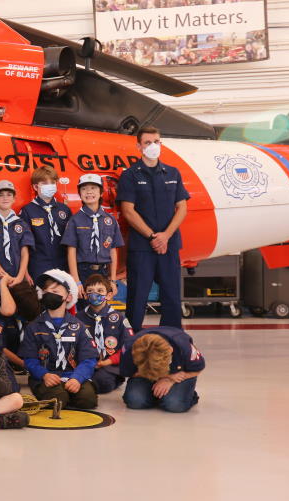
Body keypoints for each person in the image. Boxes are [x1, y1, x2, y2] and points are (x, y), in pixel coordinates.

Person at [117, 125, 190, 331]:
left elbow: (182, 207)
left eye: (156, 142)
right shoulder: (130, 175)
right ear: (139, 146)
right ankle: (130, 342)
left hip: (169, 245)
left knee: (172, 297)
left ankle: (173, 340)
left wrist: (165, 236)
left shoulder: (173, 172)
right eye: (148, 143)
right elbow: (128, 211)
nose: (153, 146)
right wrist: (152, 236)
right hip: (142, 247)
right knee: (137, 297)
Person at [18, 269, 99, 409]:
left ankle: (68, 392)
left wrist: (77, 378)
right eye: (46, 292)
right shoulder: (34, 327)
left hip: (72, 374)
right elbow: (29, 360)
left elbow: (89, 359)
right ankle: (61, 394)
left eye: (55, 292)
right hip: (45, 377)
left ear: (68, 297)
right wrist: (44, 375)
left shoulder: (78, 326)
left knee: (88, 400)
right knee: (58, 399)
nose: (50, 295)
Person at [62, 174, 124, 291]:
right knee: (83, 306)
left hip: (103, 272)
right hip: (83, 272)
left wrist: (113, 279)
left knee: (100, 305)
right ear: (79, 193)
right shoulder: (75, 220)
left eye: (93, 188)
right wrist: (76, 280)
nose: (88, 192)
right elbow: (71, 252)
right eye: (84, 189)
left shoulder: (110, 220)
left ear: (101, 193)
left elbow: (113, 251)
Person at [120, 326, 204, 413]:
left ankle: (187, 395)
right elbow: (128, 372)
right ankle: (160, 396)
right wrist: (165, 376)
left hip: (177, 374)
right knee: (135, 401)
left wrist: (170, 380)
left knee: (174, 404)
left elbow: (198, 369)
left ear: (171, 350)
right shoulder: (128, 347)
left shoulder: (183, 346)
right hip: (144, 375)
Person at [77, 274, 133, 394]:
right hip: (85, 363)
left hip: (110, 365)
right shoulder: (78, 319)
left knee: (103, 382)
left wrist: (108, 361)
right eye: (90, 291)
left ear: (108, 295)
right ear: (86, 296)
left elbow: (128, 346)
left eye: (100, 291)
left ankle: (111, 379)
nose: (95, 294)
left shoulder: (119, 318)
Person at [20, 166, 71, 282]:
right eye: (44, 183)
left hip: (63, 264)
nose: (50, 185)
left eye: (52, 182)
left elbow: (71, 241)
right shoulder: (27, 211)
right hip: (38, 265)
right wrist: (25, 272)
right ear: (35, 186)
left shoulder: (64, 209)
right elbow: (23, 244)